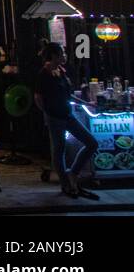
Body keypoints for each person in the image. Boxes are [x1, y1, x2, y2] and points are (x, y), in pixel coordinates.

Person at [35, 43, 99, 199]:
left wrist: (86, 103)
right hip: (55, 116)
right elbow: (38, 97)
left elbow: (68, 95)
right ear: (54, 56)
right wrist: (47, 113)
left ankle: (73, 174)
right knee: (59, 150)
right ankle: (66, 185)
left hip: (68, 115)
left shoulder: (61, 72)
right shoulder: (44, 74)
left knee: (91, 142)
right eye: (61, 53)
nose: (64, 56)